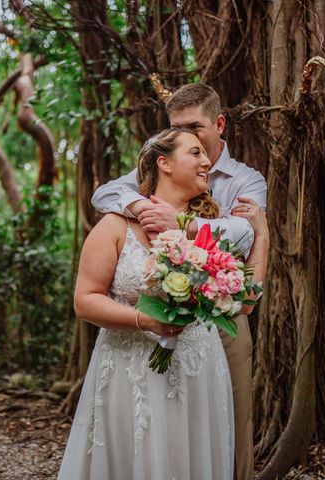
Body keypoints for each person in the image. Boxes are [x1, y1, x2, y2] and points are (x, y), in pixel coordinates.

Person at [91, 83, 267, 479]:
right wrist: (140, 204)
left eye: (195, 127)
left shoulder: (245, 179)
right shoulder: (159, 168)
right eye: (176, 127)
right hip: (152, 318)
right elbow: (105, 193)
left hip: (220, 314)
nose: (188, 136)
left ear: (219, 124)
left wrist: (181, 223)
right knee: (157, 424)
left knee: (227, 418)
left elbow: (243, 232)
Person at [58, 128, 235, 479]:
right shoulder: (115, 225)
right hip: (131, 370)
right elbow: (85, 301)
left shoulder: (210, 230)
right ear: (164, 163)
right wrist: (147, 321)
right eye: (196, 153)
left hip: (198, 365)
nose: (207, 161)